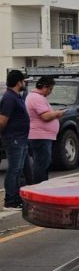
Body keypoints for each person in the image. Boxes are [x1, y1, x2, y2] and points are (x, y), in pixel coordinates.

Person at [25, 76, 65, 184]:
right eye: (50, 89)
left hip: (42, 135)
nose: (50, 92)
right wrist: (58, 113)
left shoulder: (36, 97)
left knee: (43, 162)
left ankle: (42, 184)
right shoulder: (36, 98)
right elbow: (45, 116)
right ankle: (40, 186)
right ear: (44, 87)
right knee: (41, 163)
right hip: (40, 136)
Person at [0, 70, 30, 208]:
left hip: (21, 139)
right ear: (19, 82)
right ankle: (10, 200)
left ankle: (17, 198)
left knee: (19, 170)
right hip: (14, 139)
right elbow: (2, 121)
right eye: (23, 80)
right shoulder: (9, 98)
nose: (25, 83)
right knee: (14, 170)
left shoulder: (16, 96)